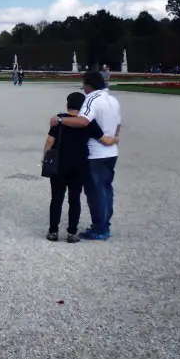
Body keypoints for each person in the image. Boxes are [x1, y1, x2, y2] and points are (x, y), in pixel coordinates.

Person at [52, 69, 122, 240]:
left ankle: (99, 228)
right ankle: (104, 224)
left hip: (96, 153)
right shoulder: (113, 100)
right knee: (106, 189)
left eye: (84, 85)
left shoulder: (92, 99)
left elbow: (84, 121)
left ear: (89, 86)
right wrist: (114, 138)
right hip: (111, 152)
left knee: (95, 191)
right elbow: (118, 125)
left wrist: (60, 120)